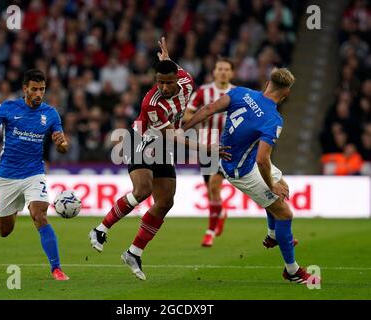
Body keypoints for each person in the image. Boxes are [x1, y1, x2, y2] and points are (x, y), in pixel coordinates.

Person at [89, 37, 230, 281]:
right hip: (141, 140)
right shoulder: (151, 104)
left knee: (165, 202)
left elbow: (174, 69)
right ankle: (100, 229)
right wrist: (207, 148)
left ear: (177, 79)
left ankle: (134, 252)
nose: (164, 87)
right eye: (160, 82)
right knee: (142, 190)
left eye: (168, 82)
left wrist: (165, 59)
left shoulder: (186, 81)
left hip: (163, 145)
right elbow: (173, 136)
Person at [182, 68, 318, 284]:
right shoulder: (273, 119)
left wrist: (183, 127)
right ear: (287, 93)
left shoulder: (242, 93)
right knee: (285, 214)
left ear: (267, 83)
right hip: (241, 169)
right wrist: (270, 185)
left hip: (241, 158)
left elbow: (209, 109)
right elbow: (262, 160)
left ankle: (273, 235)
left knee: (281, 191)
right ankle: (291, 271)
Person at [0, 69, 70, 281]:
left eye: (43, 89)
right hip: (8, 175)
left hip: (34, 173)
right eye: (35, 89)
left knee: (40, 215)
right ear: (25, 88)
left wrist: (61, 144)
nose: (39, 94)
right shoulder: (9, 108)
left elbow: (63, 145)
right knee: (4, 232)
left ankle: (56, 268)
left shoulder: (51, 114)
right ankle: (2, 215)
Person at [183, 57, 236, 247]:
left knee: (214, 185)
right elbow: (187, 114)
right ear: (214, 71)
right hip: (206, 147)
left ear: (231, 73)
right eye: (219, 68)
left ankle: (209, 232)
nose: (222, 72)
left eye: (226, 69)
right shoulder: (204, 92)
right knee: (211, 191)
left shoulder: (236, 93)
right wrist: (206, 113)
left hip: (227, 147)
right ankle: (220, 212)